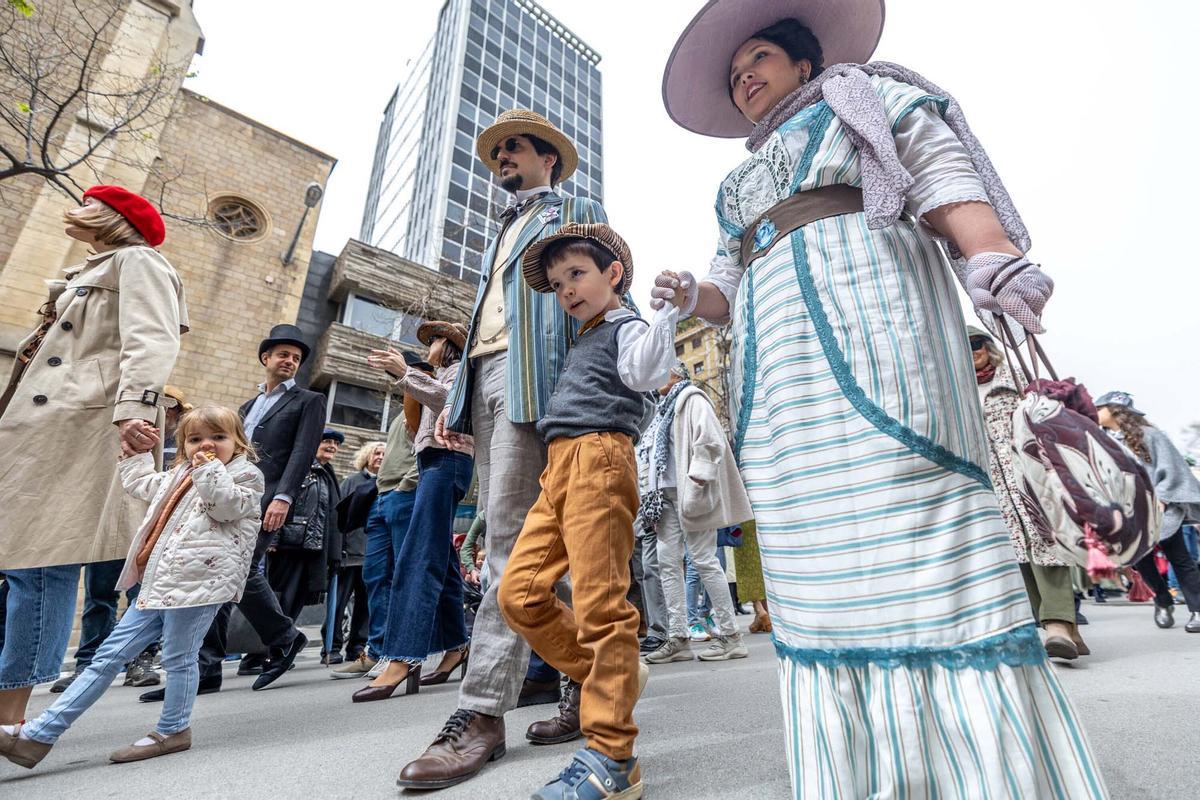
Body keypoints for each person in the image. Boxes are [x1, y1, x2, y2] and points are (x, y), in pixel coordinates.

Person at [651, 4, 1105, 796]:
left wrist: (992, 258)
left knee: (926, 529)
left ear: (802, 61)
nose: (744, 77)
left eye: (758, 57)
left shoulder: (866, 96)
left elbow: (940, 171)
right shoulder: (732, 187)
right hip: (781, 389)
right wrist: (693, 291)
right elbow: (726, 286)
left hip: (883, 331)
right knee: (813, 569)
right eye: (733, 77)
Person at [398, 109, 608, 791]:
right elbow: (486, 316)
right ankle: (585, 688)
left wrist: (581, 390)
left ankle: (482, 710)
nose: (502, 160)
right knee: (549, 548)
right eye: (497, 153)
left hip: (536, 379)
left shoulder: (576, 209)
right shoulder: (501, 230)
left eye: (514, 148)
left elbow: (595, 299)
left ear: (549, 157)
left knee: (510, 548)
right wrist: (459, 405)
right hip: (488, 378)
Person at [496, 222, 676, 799]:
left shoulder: (626, 325)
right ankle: (617, 676)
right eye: (556, 283)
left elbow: (647, 374)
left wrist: (668, 314)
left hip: (600, 456)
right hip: (559, 465)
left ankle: (612, 756)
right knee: (518, 594)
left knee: (601, 606)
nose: (566, 289)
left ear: (613, 274)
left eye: (576, 274)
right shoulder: (586, 334)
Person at [0, 185, 186, 727]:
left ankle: (12, 712)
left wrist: (136, 411)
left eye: (90, 203)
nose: (77, 208)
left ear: (113, 218)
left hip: (77, 426)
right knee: (19, 566)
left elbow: (152, 339)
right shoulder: (90, 270)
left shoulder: (139, 261)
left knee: (41, 565)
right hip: (38, 429)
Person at [0, 406, 263, 768]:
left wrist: (208, 468)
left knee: (179, 658)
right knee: (105, 658)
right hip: (160, 583)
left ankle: (173, 731)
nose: (207, 445)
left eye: (218, 438)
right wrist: (136, 455)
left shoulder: (246, 476)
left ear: (239, 443)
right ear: (183, 444)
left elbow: (224, 507)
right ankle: (38, 735)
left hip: (200, 585)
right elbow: (144, 485)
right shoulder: (180, 474)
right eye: (195, 439)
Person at [141, 325, 323, 701]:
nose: (289, 361)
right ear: (266, 359)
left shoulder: (309, 400)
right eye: (283, 354)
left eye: (296, 357)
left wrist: (284, 497)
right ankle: (205, 669)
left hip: (266, 498)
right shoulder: (246, 407)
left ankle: (286, 637)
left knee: (239, 572)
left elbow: (303, 452)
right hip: (227, 496)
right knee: (214, 573)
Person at [353, 322, 474, 701]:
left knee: (418, 555)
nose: (429, 348)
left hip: (447, 459)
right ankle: (456, 643)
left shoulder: (459, 371)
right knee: (440, 556)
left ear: (450, 345)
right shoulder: (440, 374)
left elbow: (448, 401)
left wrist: (404, 373)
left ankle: (402, 655)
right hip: (434, 462)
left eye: (435, 341)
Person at [971, 326, 1090, 659]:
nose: (973, 351)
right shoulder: (961, 391)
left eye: (977, 342)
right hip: (993, 483)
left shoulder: (1016, 378)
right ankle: (1060, 627)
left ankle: (1057, 626)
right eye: (965, 346)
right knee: (1015, 551)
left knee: (1046, 543)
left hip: (1033, 474)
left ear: (989, 346)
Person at [641, 364, 752, 665]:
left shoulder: (692, 398)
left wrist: (698, 479)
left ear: (676, 375)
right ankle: (678, 637)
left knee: (703, 560)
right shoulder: (663, 407)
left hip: (690, 492)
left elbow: (710, 441)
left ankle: (731, 636)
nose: (655, 379)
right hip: (664, 497)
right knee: (667, 564)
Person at [1096, 391, 1200, 633]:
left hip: (1159, 508)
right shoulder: (1103, 440)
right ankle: (1162, 601)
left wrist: (1162, 498)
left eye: (1100, 408)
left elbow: (1172, 467)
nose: (1096, 412)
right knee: (1139, 560)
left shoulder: (1151, 435)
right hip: (1127, 512)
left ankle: (1197, 609)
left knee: (1180, 558)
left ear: (1114, 409)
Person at [266, 429, 342, 622]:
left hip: (312, 550)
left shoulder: (327, 475)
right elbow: (280, 502)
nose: (332, 446)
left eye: (336, 443)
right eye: (327, 441)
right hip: (289, 547)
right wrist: (273, 538)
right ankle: (264, 649)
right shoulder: (300, 469)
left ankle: (280, 650)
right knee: (278, 599)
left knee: (295, 602)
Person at [322, 440, 384, 664]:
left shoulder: (387, 484)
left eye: (385, 454)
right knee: (338, 604)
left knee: (366, 605)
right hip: (349, 555)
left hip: (372, 556)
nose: (380, 457)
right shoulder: (352, 481)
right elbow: (340, 517)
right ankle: (332, 646)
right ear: (367, 456)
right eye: (377, 452)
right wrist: (337, 552)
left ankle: (357, 645)